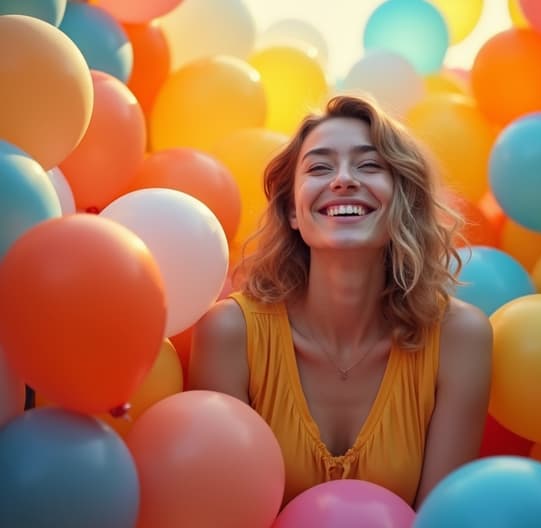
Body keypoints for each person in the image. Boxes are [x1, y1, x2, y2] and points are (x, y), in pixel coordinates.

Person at [188, 94, 492, 509]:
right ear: (292, 211)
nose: (343, 180)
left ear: (403, 201)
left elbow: (440, 519)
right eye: (318, 167)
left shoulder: (460, 339)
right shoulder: (230, 334)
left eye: (369, 165)